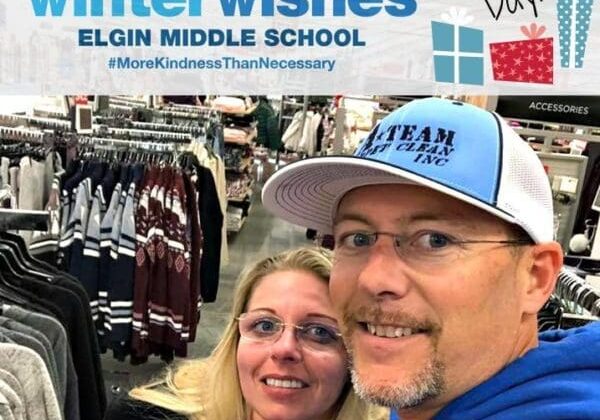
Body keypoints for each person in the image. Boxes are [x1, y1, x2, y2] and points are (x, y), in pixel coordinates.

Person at [262, 97, 600, 419]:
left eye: (434, 241)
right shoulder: (451, 391)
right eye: (358, 238)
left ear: (535, 277)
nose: (374, 278)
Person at [104, 247, 389, 420]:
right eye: (264, 326)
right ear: (236, 338)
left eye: (320, 332)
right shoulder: (145, 416)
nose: (284, 349)